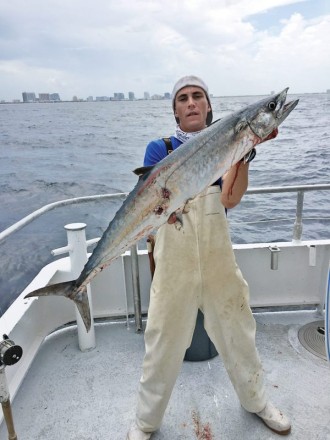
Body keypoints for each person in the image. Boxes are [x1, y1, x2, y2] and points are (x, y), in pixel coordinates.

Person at [127, 76, 291, 439]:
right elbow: (153, 202)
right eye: (183, 98)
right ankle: (145, 422)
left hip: (218, 260)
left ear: (208, 105)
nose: (191, 103)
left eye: (197, 96)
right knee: (162, 341)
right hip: (174, 262)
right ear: (175, 110)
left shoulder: (227, 144)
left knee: (238, 332)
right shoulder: (160, 148)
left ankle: (258, 402)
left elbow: (230, 199)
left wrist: (245, 152)